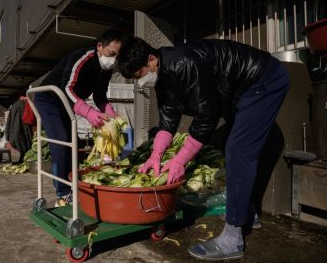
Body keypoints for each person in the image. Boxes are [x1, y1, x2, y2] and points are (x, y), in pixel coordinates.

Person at [118, 37, 289, 261]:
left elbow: (206, 117)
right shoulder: (163, 76)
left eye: (138, 75)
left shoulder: (184, 63)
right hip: (239, 90)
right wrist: (155, 156)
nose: (139, 83)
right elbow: (168, 120)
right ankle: (247, 213)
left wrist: (180, 161)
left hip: (263, 79)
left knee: (238, 150)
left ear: (151, 60)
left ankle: (233, 237)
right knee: (235, 146)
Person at [33, 28, 129, 207]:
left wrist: (113, 115)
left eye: (118, 56)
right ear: (100, 46)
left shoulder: (105, 69)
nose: (114, 60)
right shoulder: (81, 57)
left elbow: (100, 95)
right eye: (111, 54)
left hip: (68, 104)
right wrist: (88, 112)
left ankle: (72, 185)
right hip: (50, 99)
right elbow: (67, 88)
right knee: (61, 144)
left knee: (73, 144)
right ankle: (62, 193)